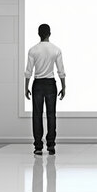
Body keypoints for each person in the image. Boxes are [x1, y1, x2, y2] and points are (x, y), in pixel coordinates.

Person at [25, 23, 66, 155]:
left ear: (39, 34)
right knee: (51, 115)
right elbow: (61, 70)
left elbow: (28, 72)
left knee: (37, 115)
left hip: (37, 84)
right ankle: (51, 146)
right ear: (50, 33)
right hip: (50, 84)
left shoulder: (33, 50)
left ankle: (38, 146)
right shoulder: (56, 50)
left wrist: (26, 87)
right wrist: (63, 86)